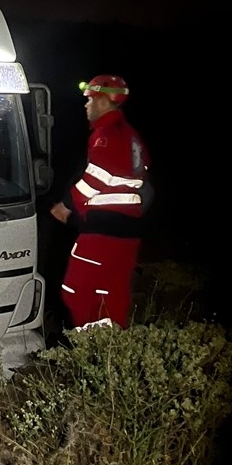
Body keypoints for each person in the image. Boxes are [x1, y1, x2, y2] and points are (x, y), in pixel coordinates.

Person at [50, 74, 150, 329]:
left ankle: (88, 347)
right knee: (112, 294)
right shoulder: (131, 136)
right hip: (128, 234)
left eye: (91, 100)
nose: (86, 106)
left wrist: (67, 206)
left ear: (104, 102)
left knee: (76, 291)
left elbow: (96, 178)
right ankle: (110, 351)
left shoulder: (106, 134)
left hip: (101, 235)